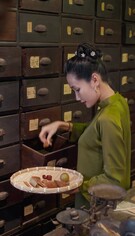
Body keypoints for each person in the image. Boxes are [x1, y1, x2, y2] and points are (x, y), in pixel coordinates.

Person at [39, 43, 131, 209]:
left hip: (96, 207)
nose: (76, 97)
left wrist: (79, 186)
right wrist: (63, 125)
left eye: (77, 89)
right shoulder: (117, 103)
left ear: (94, 79)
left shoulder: (108, 118)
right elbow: (95, 132)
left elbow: (116, 179)